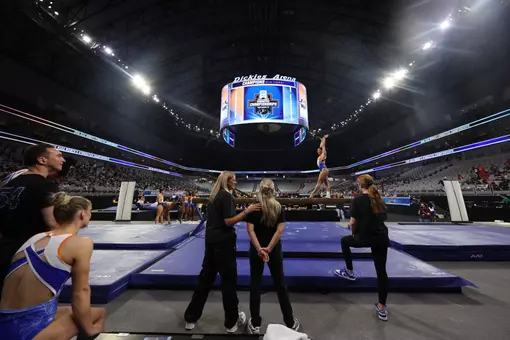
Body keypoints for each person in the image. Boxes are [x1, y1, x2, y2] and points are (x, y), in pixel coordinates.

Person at [0, 192, 105, 339]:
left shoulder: (36, 238)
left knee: (92, 312)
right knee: (95, 317)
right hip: (27, 332)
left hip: (4, 322)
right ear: (82, 214)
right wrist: (89, 330)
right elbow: (80, 292)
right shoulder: (82, 243)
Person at [184, 171, 261, 333]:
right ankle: (231, 323)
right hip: (224, 245)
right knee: (228, 283)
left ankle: (190, 318)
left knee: (204, 281)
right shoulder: (226, 196)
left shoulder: (215, 196)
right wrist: (247, 211)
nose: (236, 183)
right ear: (227, 181)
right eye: (233, 180)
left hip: (211, 242)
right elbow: (228, 221)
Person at [0, 144, 64, 292]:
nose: (63, 160)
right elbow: (51, 223)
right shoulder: (45, 186)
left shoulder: (10, 184)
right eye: (58, 155)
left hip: (5, 248)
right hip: (29, 253)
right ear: (42, 160)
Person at [245, 179, 299, 334]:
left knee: (255, 284)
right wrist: (268, 248)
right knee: (280, 284)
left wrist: (259, 249)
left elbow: (250, 230)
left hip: (256, 251)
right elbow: (279, 231)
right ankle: (289, 321)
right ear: (273, 190)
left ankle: (255, 323)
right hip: (273, 250)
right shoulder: (278, 207)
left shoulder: (254, 207)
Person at [335, 174, 390, 321]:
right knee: (381, 272)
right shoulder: (378, 199)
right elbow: (383, 218)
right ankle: (382, 307)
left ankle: (350, 271)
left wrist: (354, 234)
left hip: (364, 237)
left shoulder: (358, 200)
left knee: (345, 242)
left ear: (360, 186)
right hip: (381, 238)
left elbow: (352, 223)